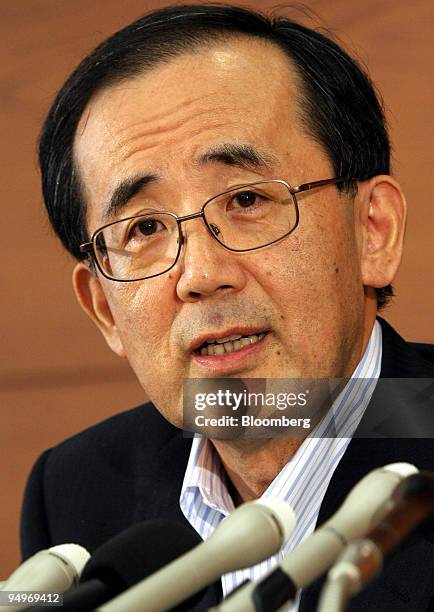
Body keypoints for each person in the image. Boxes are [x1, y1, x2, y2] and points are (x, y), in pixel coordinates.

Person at [20, 4, 433, 610]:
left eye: (245, 199)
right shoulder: (77, 494)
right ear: (104, 309)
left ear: (373, 230)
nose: (202, 275)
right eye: (142, 229)